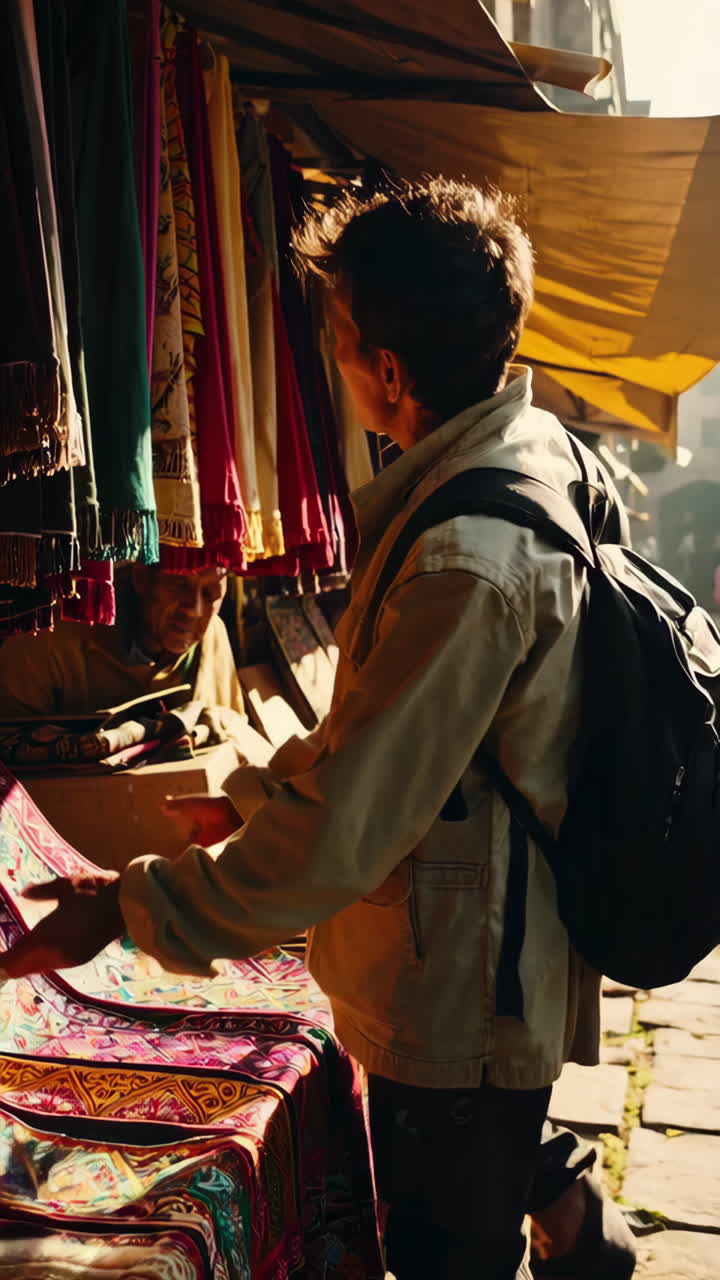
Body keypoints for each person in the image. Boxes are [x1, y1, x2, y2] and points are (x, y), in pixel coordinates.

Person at [1, 180, 636, 1280]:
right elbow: (397, 731)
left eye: (336, 340)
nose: (335, 366)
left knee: (446, 1250)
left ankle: (578, 1231)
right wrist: (245, 800)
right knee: (470, 1195)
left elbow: (352, 824)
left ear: (388, 372)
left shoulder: (464, 559)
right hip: (472, 952)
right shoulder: (513, 460)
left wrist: (129, 904)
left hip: (460, 988)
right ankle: (582, 1229)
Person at [0, 564, 249, 749]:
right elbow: (10, 749)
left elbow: (235, 730)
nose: (194, 609)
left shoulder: (212, 631)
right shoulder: (47, 633)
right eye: (179, 584)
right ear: (140, 577)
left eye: (210, 593)